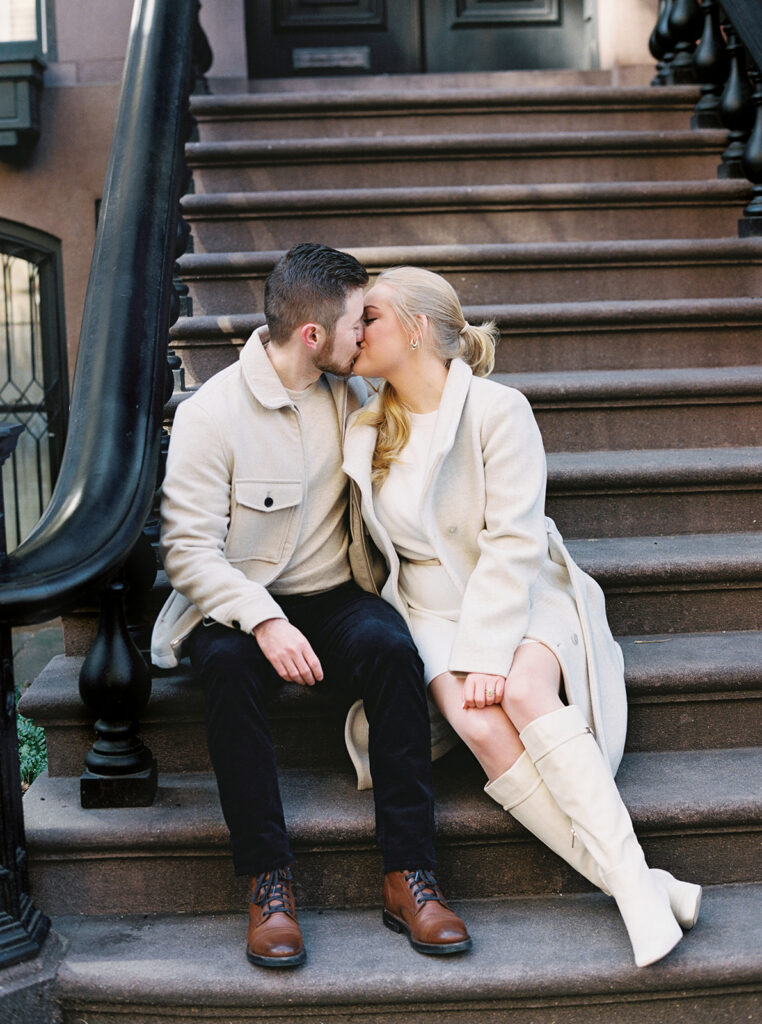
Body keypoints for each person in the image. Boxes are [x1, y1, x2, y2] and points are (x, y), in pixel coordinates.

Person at [342, 265, 703, 969]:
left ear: (417, 330)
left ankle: (633, 889)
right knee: (477, 722)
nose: (357, 331)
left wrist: (486, 651)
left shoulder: (499, 410)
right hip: (426, 607)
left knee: (523, 690)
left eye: (372, 317)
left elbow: (514, 541)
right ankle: (641, 884)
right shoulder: (364, 426)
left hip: (524, 590)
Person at [151, 245, 471, 968]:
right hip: (237, 604)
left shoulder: (356, 394)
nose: (368, 334)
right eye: (359, 321)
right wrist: (263, 619)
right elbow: (188, 553)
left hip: (335, 595)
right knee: (229, 673)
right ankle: (269, 882)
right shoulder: (212, 415)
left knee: (392, 648)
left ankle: (408, 876)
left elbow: (437, 405)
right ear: (312, 336)